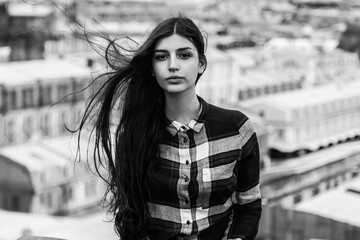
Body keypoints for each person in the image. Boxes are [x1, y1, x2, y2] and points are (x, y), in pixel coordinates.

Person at [76, 15, 262, 240]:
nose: (173, 65)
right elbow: (130, 214)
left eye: (184, 55)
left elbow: (249, 204)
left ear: (201, 63)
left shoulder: (237, 129)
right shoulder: (136, 133)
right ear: (153, 69)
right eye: (162, 57)